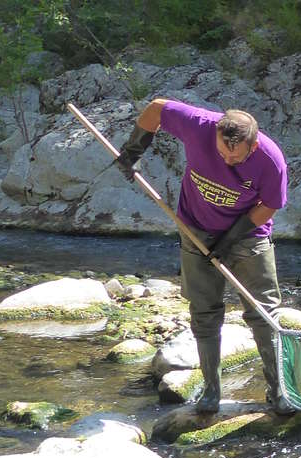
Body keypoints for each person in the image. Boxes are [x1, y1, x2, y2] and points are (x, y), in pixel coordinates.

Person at [115, 99, 290, 414]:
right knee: (205, 314)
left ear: (253, 145)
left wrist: (230, 239)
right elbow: (156, 108)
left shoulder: (270, 159)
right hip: (195, 229)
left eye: (234, 157)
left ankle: (278, 391)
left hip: (248, 234)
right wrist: (133, 151)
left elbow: (270, 205)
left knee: (263, 313)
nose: (227, 160)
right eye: (222, 152)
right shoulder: (199, 125)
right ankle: (211, 392)